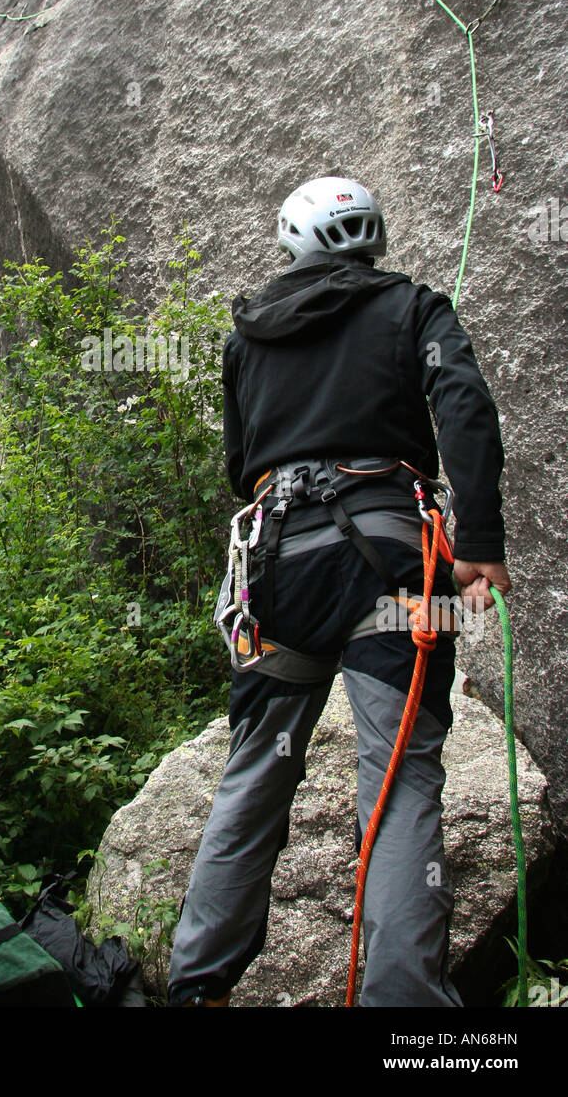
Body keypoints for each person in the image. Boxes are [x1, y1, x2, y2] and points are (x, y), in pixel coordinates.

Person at [167, 175, 511, 1008]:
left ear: (291, 241)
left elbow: (238, 466)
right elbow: (463, 403)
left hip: (275, 568)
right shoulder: (413, 308)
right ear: (373, 239)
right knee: (398, 784)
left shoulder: (248, 338)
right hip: (393, 565)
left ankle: (197, 986)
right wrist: (480, 545)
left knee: (255, 769)